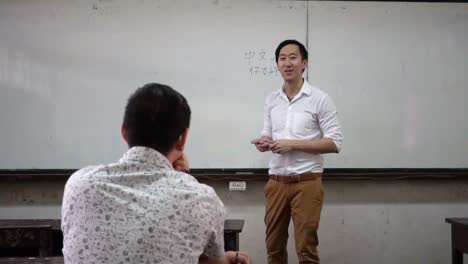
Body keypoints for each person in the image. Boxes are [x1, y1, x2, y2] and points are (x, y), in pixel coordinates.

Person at [62, 83, 250, 264]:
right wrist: (182, 176)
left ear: (124, 132)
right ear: (182, 139)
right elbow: (211, 259)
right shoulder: (202, 198)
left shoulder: (78, 184)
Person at [251, 40, 343, 264]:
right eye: (282, 58)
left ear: (304, 63)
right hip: (276, 183)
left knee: (306, 251)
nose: (287, 63)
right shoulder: (272, 100)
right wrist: (265, 142)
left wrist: (293, 144)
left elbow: (335, 142)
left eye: (293, 57)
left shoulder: (320, 99)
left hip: (307, 182)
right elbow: (268, 133)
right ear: (277, 64)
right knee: (273, 249)